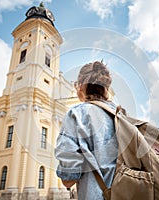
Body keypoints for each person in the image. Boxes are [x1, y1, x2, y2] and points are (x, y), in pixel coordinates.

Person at [55, 61, 118, 200]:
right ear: (106, 88)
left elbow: (68, 179)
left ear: (81, 86)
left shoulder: (77, 115)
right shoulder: (121, 115)